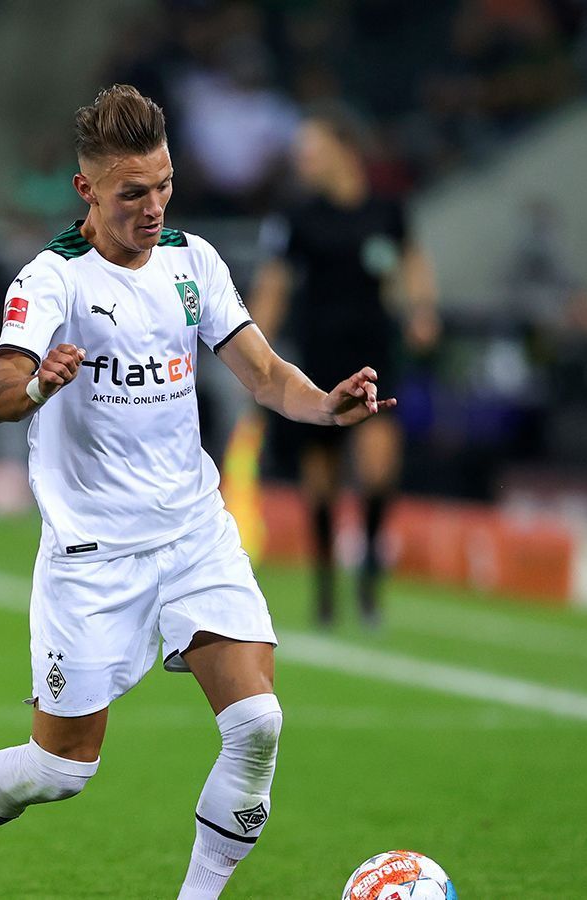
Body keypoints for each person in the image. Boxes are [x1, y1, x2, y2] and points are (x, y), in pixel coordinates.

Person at [0, 85, 397, 900]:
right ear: (88, 191)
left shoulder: (194, 263)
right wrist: (41, 385)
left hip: (194, 533)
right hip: (94, 555)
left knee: (258, 724)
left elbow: (265, 376)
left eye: (164, 185)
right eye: (134, 193)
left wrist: (326, 405)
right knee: (58, 771)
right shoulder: (52, 278)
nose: (154, 206)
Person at [251, 112, 439, 629]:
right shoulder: (297, 216)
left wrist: (423, 310)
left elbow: (413, 261)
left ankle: (371, 576)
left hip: (375, 355)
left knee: (379, 472)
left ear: (343, 148)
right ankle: (327, 589)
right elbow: (274, 284)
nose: (303, 161)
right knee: (321, 485)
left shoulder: (387, 210)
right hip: (317, 362)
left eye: (312, 149)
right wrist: (254, 353)